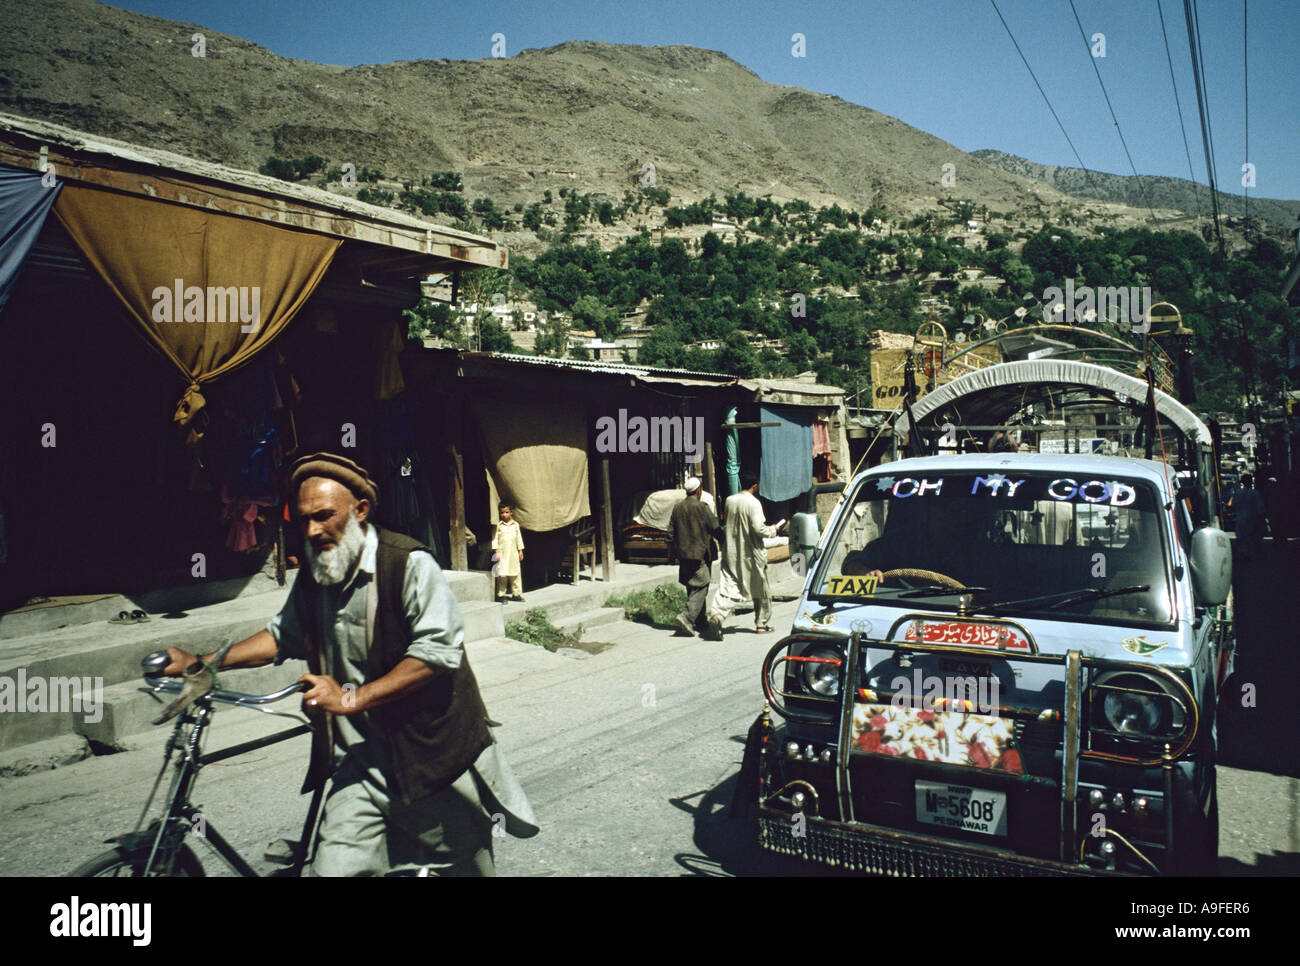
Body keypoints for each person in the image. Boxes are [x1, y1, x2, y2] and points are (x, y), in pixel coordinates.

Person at [161, 452, 538, 876]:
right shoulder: (318, 572)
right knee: (333, 870)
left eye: (323, 516)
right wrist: (204, 663)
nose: (311, 530)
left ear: (360, 511)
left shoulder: (407, 564)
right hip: (358, 761)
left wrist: (351, 698)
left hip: (427, 757)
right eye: (302, 519)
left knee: (464, 865)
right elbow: (283, 635)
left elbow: (437, 654)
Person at [703, 470, 785, 639]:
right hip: (752, 553)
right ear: (755, 486)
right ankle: (761, 624)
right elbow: (758, 529)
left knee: (730, 584)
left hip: (732, 551)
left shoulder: (729, 500)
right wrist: (774, 530)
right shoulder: (754, 503)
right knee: (760, 588)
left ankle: (717, 615)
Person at [666, 476, 722, 637]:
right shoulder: (702, 507)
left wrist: (670, 555)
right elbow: (715, 528)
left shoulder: (677, 508)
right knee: (702, 584)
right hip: (700, 554)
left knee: (692, 586)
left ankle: (700, 621)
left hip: (683, 554)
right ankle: (687, 616)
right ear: (699, 490)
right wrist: (724, 541)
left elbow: (670, 534)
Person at [491, 502, 525, 602]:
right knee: (502, 574)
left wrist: (520, 550)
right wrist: (496, 552)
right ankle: (501, 594)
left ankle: (516, 594)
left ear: (511, 512)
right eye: (502, 512)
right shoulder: (498, 525)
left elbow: (519, 538)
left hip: (513, 553)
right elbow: (495, 539)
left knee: (515, 573)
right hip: (502, 553)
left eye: (506, 512)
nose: (504, 515)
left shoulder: (516, 525)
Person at [1232, 473, 1268, 560]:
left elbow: (1234, 505)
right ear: (1251, 482)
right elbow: (1261, 508)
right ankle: (1251, 554)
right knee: (1252, 537)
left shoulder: (1238, 493)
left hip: (1241, 519)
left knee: (1242, 537)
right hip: (1253, 519)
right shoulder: (1255, 493)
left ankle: (1244, 553)